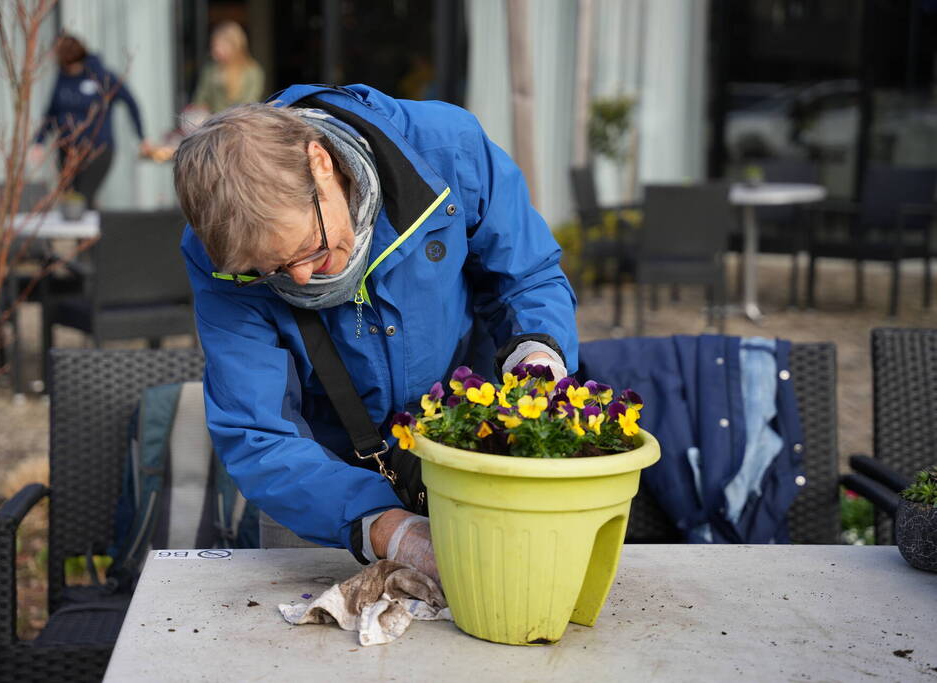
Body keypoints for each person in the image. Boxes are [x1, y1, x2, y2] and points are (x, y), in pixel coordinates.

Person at [172, 84, 577, 583]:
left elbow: (528, 276)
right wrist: (389, 531)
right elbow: (258, 432)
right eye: (268, 270)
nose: (300, 279)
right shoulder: (219, 252)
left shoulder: (446, 149)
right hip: (315, 494)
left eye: (309, 250)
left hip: (470, 461)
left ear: (320, 162)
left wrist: (537, 354)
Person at [29, 34, 152, 209]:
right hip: (67, 150)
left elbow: (131, 102)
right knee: (70, 199)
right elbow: (52, 112)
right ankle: (89, 234)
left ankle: (90, 234)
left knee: (83, 197)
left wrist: (142, 137)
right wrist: (39, 142)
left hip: (97, 149)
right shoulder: (61, 78)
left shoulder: (101, 76)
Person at [190, 22, 265, 115]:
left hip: (240, 122)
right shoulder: (210, 69)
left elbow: (250, 103)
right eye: (213, 46)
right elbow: (199, 99)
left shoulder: (252, 71)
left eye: (220, 46)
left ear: (235, 46)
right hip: (213, 123)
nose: (215, 50)